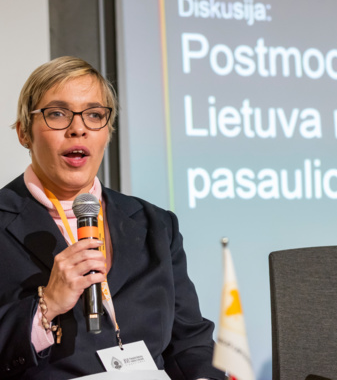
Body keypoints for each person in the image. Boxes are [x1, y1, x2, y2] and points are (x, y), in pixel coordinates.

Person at [0, 56, 225, 380]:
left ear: (107, 132)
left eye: (94, 115)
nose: (78, 128)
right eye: (58, 114)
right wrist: (46, 305)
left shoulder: (156, 225)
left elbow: (189, 342)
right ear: (24, 133)